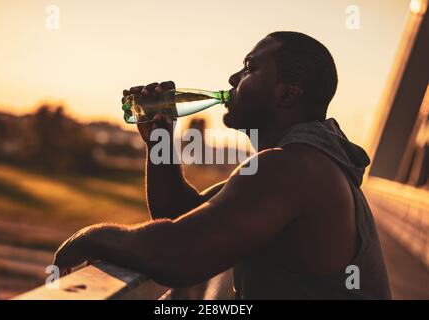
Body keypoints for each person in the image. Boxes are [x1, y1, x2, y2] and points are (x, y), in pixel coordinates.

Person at [53, 31, 391, 299]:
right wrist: (160, 138)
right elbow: (182, 214)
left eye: (249, 67)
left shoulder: (294, 168)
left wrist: (91, 236)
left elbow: (179, 253)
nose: (233, 77)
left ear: (287, 95)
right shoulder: (297, 163)